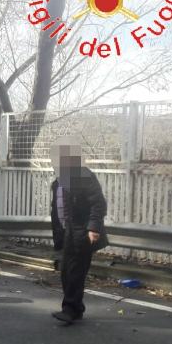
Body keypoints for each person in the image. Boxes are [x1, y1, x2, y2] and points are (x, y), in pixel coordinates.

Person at [50, 136, 108, 324]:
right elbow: (58, 210)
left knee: (75, 272)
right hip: (69, 232)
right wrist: (59, 234)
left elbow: (98, 204)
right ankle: (77, 307)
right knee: (66, 271)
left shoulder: (84, 176)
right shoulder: (60, 180)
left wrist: (93, 228)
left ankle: (70, 309)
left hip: (83, 231)